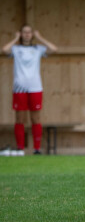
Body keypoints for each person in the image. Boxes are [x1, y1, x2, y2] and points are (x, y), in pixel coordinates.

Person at [1, 26, 57, 156]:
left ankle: (36, 149)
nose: (27, 34)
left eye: (29, 32)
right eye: (24, 32)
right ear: (21, 34)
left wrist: (39, 37)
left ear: (32, 34)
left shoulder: (37, 49)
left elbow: (54, 49)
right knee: (19, 119)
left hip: (35, 88)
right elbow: (4, 50)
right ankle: (20, 148)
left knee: (35, 119)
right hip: (19, 88)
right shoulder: (16, 49)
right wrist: (15, 38)